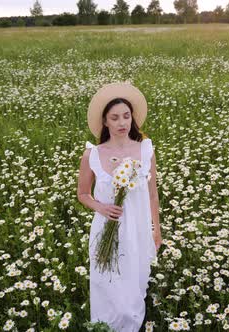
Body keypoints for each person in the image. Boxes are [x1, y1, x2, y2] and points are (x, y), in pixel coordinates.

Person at [77, 82, 162, 331]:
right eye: (114, 117)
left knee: (132, 292)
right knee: (108, 288)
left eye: (126, 116)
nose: (122, 122)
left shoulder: (145, 150)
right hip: (106, 230)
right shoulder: (92, 154)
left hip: (136, 231)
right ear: (105, 122)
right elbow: (82, 194)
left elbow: (153, 195)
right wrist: (101, 207)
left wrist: (156, 230)